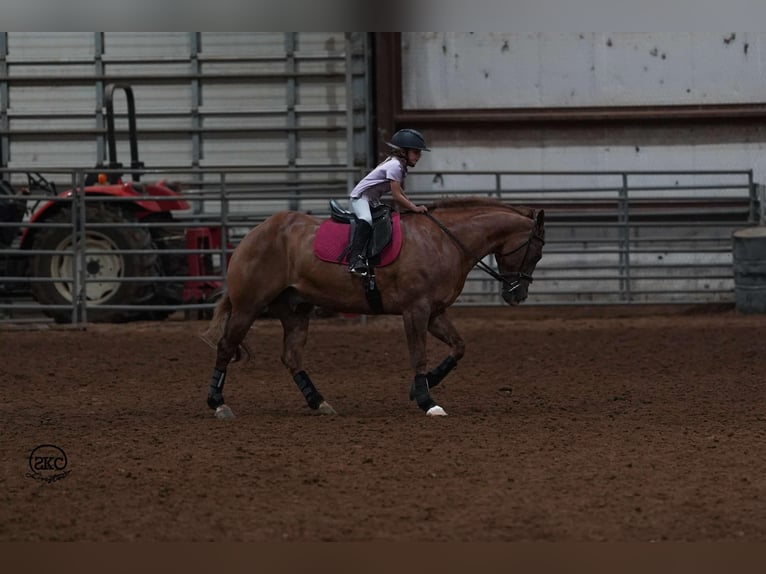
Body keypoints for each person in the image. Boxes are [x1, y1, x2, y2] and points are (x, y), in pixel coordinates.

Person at [346, 128, 430, 276]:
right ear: (404, 151)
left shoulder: (398, 165)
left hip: (371, 200)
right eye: (416, 152)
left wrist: (412, 205)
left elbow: (400, 192)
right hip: (360, 198)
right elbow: (397, 196)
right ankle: (354, 260)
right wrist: (414, 209)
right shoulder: (395, 166)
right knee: (366, 220)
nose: (419, 156)